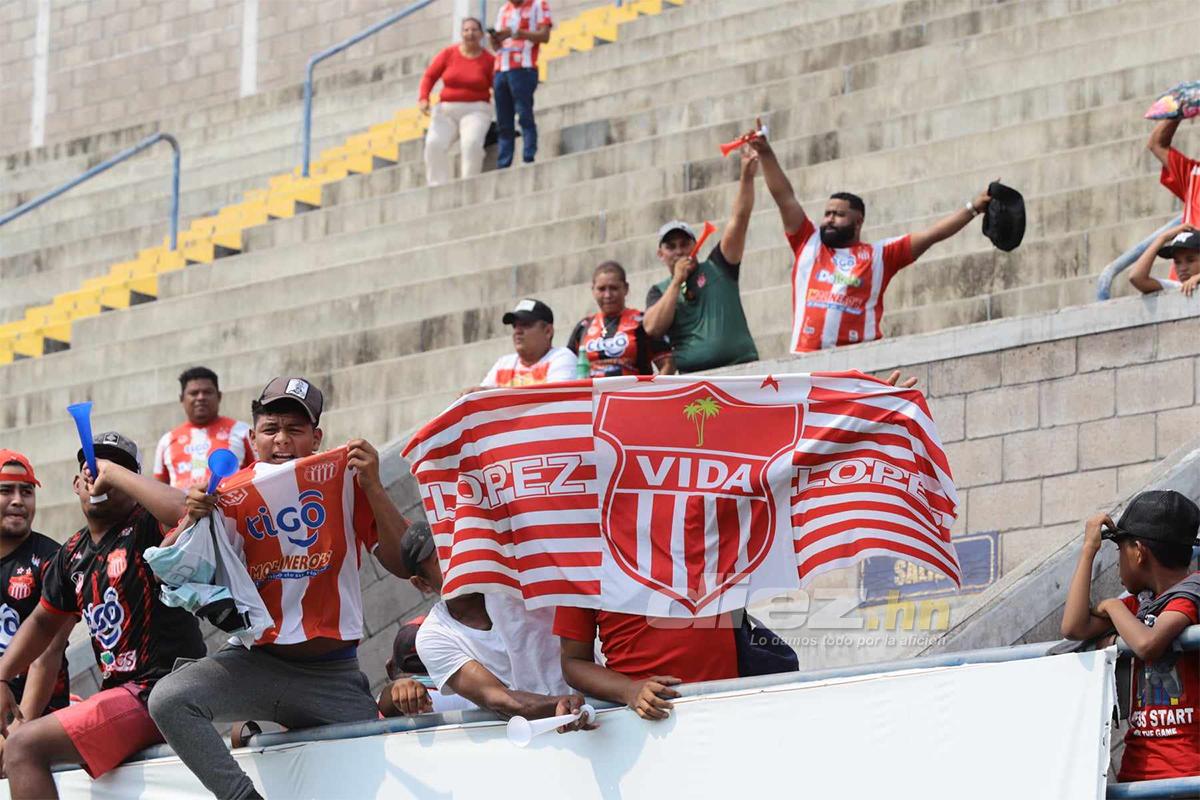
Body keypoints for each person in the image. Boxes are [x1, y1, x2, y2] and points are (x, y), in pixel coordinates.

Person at [147, 376, 413, 800]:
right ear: (253, 438)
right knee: (169, 700)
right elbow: (166, 569)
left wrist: (375, 487)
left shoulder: (348, 480)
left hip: (333, 675)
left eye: (295, 429)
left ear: (316, 437)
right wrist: (192, 520)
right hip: (256, 663)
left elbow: (402, 564)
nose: (282, 440)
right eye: (271, 429)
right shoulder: (227, 494)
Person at [0, 434, 205, 799]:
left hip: (161, 691)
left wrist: (112, 473)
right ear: (77, 484)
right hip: (121, 697)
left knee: (22, 747)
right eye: (91, 470)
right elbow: (42, 624)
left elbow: (184, 510)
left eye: (113, 470)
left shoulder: (147, 526)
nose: (100, 477)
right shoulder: (73, 552)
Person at [747, 119, 993, 351]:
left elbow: (932, 235)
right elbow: (784, 197)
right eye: (827, 213)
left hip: (858, 367)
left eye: (839, 214)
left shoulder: (880, 255)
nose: (830, 219)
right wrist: (766, 154)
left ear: (858, 222)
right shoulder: (807, 243)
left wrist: (972, 208)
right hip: (806, 360)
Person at [1060, 491, 1199, 783]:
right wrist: (1088, 550)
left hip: (1187, 774)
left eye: (1118, 551)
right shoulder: (1139, 605)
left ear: (1138, 551)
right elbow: (1073, 627)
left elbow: (1148, 644)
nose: (1119, 562)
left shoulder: (1190, 596)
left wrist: (1111, 605)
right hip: (1138, 774)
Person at [393, 524, 590, 728]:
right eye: (441, 560)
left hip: (598, 704)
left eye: (458, 548)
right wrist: (564, 705)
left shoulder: (512, 573)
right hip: (540, 733)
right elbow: (498, 699)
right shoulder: (435, 636)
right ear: (422, 584)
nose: (458, 561)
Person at [642, 146, 760, 373]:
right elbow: (653, 328)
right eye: (671, 246)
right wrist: (676, 282)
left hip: (741, 368)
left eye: (685, 244)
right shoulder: (659, 291)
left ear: (695, 245)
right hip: (694, 378)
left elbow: (740, 219)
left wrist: (746, 176)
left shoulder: (719, 265)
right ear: (661, 254)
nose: (679, 251)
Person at [0, 452, 71, 765]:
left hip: (38, 713)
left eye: (27, 492)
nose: (18, 501)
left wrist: (19, 728)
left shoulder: (54, 559)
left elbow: (48, 654)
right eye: (6, 491)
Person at [420, 17, 495, 186]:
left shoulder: (488, 60)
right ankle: (437, 185)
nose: (470, 33)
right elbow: (430, 76)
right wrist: (424, 98)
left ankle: (468, 185)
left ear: (481, 34)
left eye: (474, 30)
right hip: (447, 110)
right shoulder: (448, 54)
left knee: (471, 144)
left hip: (477, 110)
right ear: (461, 33)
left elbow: (497, 84)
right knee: (433, 144)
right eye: (466, 30)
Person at [153, 366, 254, 490]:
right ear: (181, 399)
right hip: (181, 508)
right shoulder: (166, 441)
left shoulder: (242, 431)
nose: (200, 397)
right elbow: (159, 489)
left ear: (219, 396)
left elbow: (258, 472)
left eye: (207, 392)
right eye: (194, 393)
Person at [567, 261, 674, 376]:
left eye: (613, 288)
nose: (608, 295)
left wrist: (654, 392)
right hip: (592, 392)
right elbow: (567, 367)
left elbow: (668, 363)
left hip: (632, 392)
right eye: (601, 289)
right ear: (593, 290)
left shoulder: (642, 322)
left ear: (626, 288)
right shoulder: (583, 327)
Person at [489, 0, 552, 168]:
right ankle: (504, 163)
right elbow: (496, 46)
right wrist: (495, 39)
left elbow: (545, 36)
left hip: (524, 68)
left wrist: (520, 33)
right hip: (501, 68)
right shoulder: (503, 10)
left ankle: (528, 157)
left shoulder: (539, 4)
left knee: (524, 114)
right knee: (503, 121)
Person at [465, 299, 575, 392]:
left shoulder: (562, 357)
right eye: (514, 326)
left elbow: (554, 401)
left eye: (526, 324)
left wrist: (492, 396)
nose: (517, 331)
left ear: (548, 331)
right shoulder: (503, 364)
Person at [1128, 223, 1200, 296]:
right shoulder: (1176, 287)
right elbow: (1136, 277)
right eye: (1177, 262)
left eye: (1191, 260)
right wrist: (1162, 238)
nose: (1182, 268)